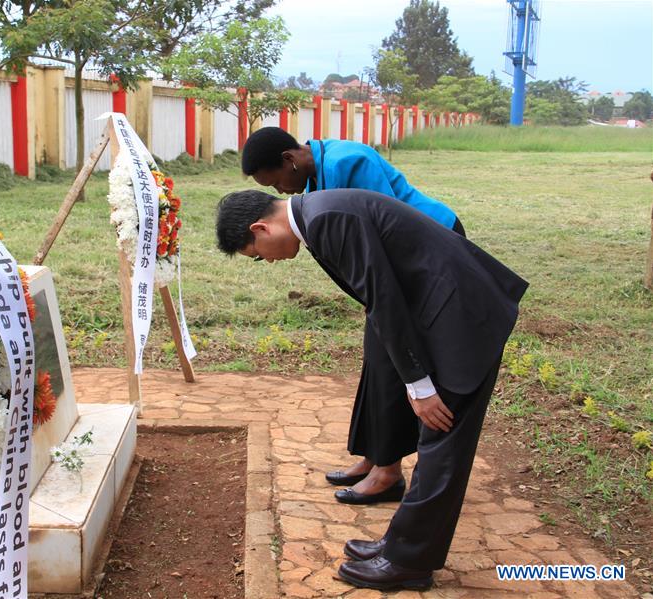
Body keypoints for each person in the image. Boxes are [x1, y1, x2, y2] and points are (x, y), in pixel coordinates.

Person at [215, 188, 527, 590]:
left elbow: (384, 299)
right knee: (438, 436)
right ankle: (400, 544)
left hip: (461, 315)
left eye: (258, 254)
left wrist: (419, 385)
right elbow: (380, 294)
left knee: (442, 438)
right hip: (440, 309)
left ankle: (409, 563)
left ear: (261, 227)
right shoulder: (318, 215)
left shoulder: (326, 218)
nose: (267, 260)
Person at [241, 126, 465, 505]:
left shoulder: (350, 162)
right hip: (391, 272)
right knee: (376, 359)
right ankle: (376, 456)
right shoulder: (314, 180)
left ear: (289, 161)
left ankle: (388, 473)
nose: (279, 192)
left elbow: (388, 232)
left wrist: (384, 300)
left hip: (430, 251)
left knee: (393, 357)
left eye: (276, 182)